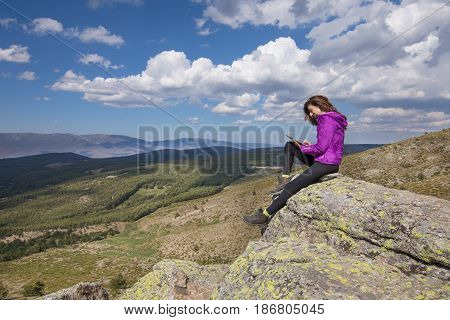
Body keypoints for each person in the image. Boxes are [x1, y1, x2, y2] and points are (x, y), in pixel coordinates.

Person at [243, 95, 348, 226]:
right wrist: (307, 146)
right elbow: (327, 145)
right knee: (290, 146)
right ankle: (285, 178)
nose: (310, 114)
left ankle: (264, 215)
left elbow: (321, 147)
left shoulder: (326, 119)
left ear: (320, 105)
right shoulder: (333, 119)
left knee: (293, 186)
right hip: (325, 160)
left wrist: (304, 148)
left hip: (326, 163)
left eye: (311, 109)